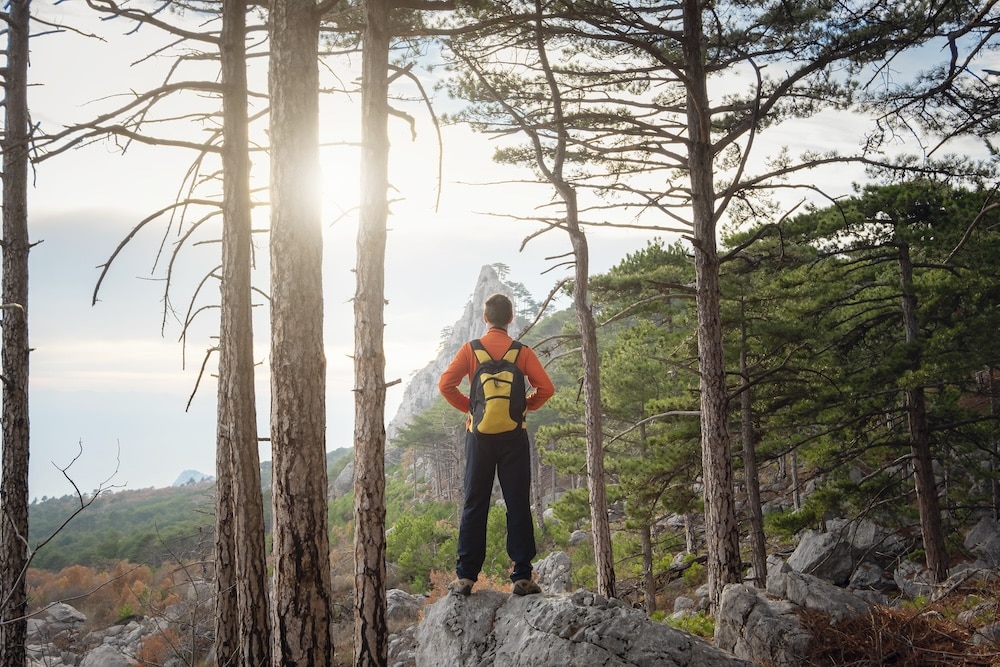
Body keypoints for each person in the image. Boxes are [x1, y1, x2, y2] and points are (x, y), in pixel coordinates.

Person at [438, 292, 555, 596]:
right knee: (517, 503)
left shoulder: (471, 350)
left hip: (479, 437)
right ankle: (522, 577)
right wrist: (524, 407)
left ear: (485, 318)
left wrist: (472, 408)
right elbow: (547, 388)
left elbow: (445, 385)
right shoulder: (522, 352)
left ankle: (465, 577)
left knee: (475, 503)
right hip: (514, 436)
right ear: (511, 318)